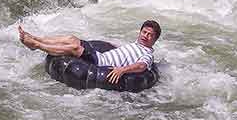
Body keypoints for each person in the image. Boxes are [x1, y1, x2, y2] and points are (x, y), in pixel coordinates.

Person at [18, 20, 160, 84]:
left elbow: (141, 66)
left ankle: (36, 45)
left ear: (154, 39)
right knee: (71, 38)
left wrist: (122, 70)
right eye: (144, 32)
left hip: (101, 63)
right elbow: (117, 49)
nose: (145, 36)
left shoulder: (147, 54)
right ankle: (36, 38)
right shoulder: (135, 44)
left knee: (74, 48)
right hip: (100, 55)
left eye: (150, 35)